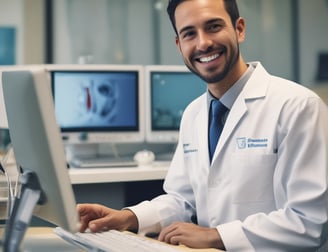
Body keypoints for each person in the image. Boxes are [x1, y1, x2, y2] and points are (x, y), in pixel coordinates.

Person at [77, 0, 328, 250]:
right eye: (189, 34)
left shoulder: (298, 107)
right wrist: (129, 218)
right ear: (179, 45)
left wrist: (216, 236)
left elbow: (309, 222)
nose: (203, 43)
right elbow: (183, 200)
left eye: (213, 26)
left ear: (239, 29)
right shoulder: (193, 113)